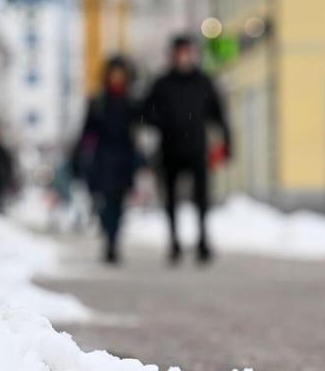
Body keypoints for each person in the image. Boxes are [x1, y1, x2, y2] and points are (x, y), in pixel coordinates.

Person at [143, 35, 231, 264]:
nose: (184, 57)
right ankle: (174, 242)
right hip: (169, 150)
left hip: (196, 149)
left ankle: (202, 240)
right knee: (170, 197)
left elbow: (218, 114)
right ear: (173, 55)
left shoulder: (203, 82)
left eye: (187, 52)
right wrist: (161, 122)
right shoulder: (162, 84)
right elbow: (146, 112)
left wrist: (227, 142)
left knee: (201, 197)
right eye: (180, 52)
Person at [71, 56, 140, 264]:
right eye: (114, 74)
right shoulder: (98, 102)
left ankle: (113, 241)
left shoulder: (131, 103)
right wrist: (80, 153)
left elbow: (138, 132)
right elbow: (87, 131)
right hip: (102, 159)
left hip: (124, 159)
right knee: (104, 202)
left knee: (118, 203)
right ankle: (108, 235)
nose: (117, 78)